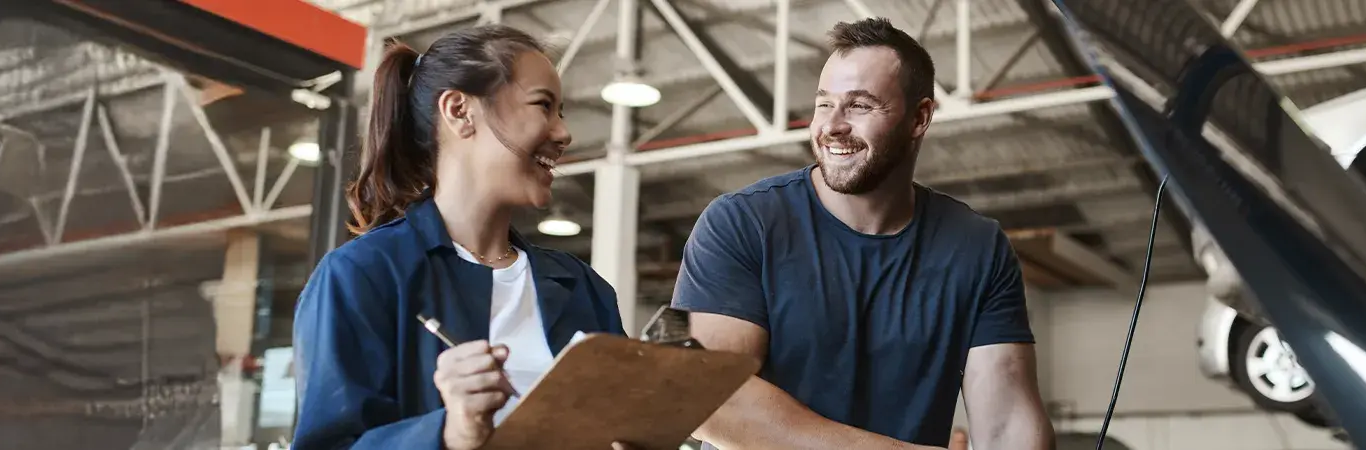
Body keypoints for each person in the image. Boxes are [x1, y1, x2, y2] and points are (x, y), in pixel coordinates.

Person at [673, 18, 1054, 450]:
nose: (832, 125)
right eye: (823, 104)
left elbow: (1008, 424)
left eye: (859, 105)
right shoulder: (742, 223)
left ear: (920, 118)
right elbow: (710, 399)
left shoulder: (976, 246)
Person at [292, 25, 626, 450]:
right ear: (459, 110)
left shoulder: (585, 289)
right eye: (544, 105)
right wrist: (449, 433)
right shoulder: (360, 277)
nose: (563, 133)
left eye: (561, 112)